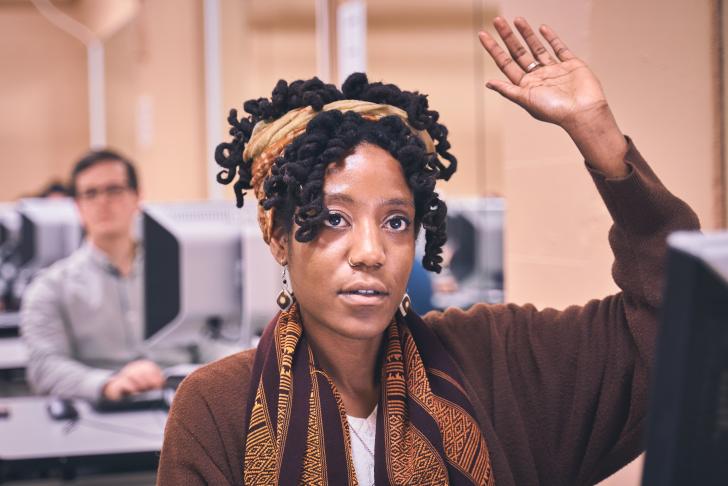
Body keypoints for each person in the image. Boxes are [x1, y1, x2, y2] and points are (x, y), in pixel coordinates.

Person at [157, 17, 700, 486]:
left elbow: (679, 321)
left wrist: (598, 136)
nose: (370, 252)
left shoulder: (494, 360)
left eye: (396, 222)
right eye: (334, 219)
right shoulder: (218, 408)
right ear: (277, 236)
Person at [21, 150, 195, 401]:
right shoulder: (50, 288)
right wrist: (106, 384)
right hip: (101, 411)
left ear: (137, 197)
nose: (103, 201)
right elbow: (45, 367)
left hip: (182, 401)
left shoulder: (180, 275)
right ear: (78, 207)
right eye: (90, 194)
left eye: (114, 190)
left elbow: (210, 340)